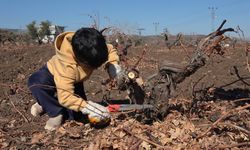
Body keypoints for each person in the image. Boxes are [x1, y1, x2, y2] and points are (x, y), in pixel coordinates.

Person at [28, 28, 122, 131]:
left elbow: (110, 49)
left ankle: (47, 103)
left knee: (77, 116)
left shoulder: (94, 46)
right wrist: (88, 107)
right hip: (51, 75)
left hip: (76, 79)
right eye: (92, 66)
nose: (95, 69)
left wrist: (112, 64)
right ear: (80, 60)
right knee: (36, 83)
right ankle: (53, 110)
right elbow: (65, 97)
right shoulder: (67, 67)